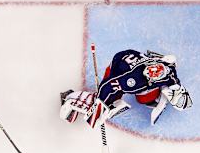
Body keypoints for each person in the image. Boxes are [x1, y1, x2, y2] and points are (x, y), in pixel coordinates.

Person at [60, 49, 192, 127]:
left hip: (139, 60)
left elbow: (171, 60)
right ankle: (70, 98)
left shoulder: (170, 73)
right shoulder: (133, 81)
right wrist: (99, 106)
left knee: (145, 99)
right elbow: (108, 86)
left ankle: (151, 93)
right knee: (110, 98)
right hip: (120, 64)